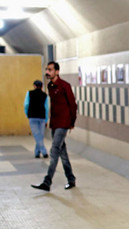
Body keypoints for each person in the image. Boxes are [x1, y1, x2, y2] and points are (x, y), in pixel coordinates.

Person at [31, 61, 77, 192]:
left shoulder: (64, 86)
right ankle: (71, 179)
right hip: (55, 123)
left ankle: (47, 182)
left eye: (50, 70)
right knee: (62, 153)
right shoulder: (50, 86)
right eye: (47, 69)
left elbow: (73, 105)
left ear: (57, 71)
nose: (47, 72)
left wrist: (71, 123)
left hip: (63, 123)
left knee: (54, 150)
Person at [24, 80, 49, 158]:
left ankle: (43, 151)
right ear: (42, 87)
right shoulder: (45, 95)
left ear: (34, 86)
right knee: (40, 135)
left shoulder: (29, 93)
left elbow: (26, 105)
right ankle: (37, 152)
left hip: (32, 117)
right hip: (41, 117)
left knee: (37, 135)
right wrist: (46, 119)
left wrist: (27, 114)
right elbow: (46, 108)